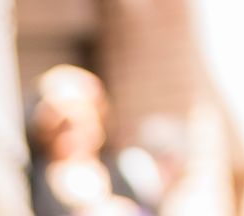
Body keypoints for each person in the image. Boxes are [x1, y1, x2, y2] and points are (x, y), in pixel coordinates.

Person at [26, 65, 151, 216]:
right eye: (66, 127)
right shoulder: (38, 181)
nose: (77, 135)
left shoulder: (117, 170)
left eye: (85, 122)